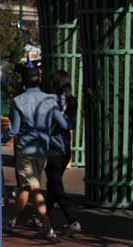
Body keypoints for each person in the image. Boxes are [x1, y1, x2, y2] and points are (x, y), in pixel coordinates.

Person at [2, 64, 72, 239]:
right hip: (42, 150)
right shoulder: (50, 100)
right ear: (39, 79)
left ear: (24, 81)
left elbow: (13, 130)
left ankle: (48, 228)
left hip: (25, 150)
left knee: (33, 189)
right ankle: (11, 222)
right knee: (27, 187)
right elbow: (64, 124)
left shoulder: (18, 101)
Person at [45, 70, 81, 233]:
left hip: (52, 148)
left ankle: (72, 220)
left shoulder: (49, 102)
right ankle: (42, 216)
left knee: (56, 186)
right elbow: (70, 124)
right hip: (66, 148)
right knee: (53, 184)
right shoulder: (72, 101)